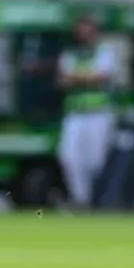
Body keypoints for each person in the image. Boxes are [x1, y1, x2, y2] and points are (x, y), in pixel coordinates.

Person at [57, 15, 118, 208]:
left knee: (95, 162)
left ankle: (96, 198)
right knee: (67, 155)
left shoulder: (105, 52)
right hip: (75, 113)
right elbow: (62, 80)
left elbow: (100, 77)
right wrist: (87, 76)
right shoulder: (70, 54)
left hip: (98, 113)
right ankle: (80, 200)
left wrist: (76, 77)